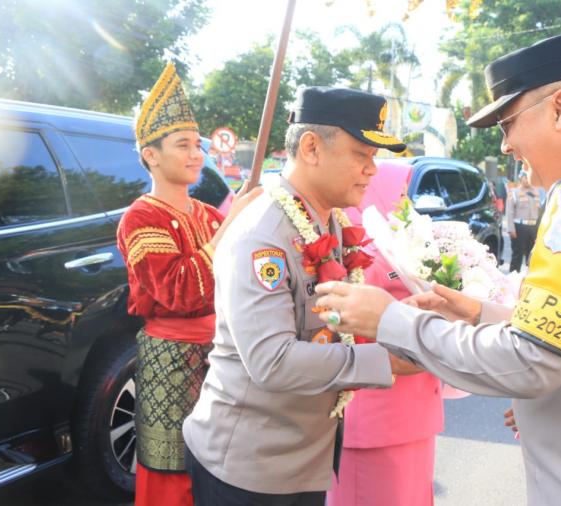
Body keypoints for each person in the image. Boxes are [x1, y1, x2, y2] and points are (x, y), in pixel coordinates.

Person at [315, 34, 561, 505]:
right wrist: (480, 314)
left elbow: (530, 361)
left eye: (508, 124)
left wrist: (391, 320)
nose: (505, 147)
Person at [182, 86, 417, 506]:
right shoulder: (263, 235)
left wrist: (400, 320)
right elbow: (272, 362)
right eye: (361, 155)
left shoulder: (332, 224)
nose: (371, 170)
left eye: (374, 158)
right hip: (250, 468)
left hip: (303, 457)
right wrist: (388, 359)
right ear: (311, 147)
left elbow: (337, 319)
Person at [116, 62, 260, 506]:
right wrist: (231, 226)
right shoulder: (141, 218)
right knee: (171, 478)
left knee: (216, 474)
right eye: (183, 145)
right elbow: (181, 289)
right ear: (151, 156)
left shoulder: (207, 214)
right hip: (172, 362)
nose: (197, 154)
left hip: (221, 356)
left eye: (197, 145)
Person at [327, 161, 444, 506]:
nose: (407, 202)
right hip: (376, 413)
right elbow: (347, 325)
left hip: (414, 407)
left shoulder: (398, 245)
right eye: (402, 193)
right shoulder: (356, 252)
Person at [505, 169, 542, 272]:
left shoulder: (536, 192)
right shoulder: (514, 192)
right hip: (519, 228)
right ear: (520, 178)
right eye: (524, 177)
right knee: (517, 257)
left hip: (533, 228)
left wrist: (539, 231)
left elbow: (540, 213)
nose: (527, 180)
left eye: (528, 177)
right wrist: (511, 229)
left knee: (532, 258)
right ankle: (512, 282)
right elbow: (509, 212)